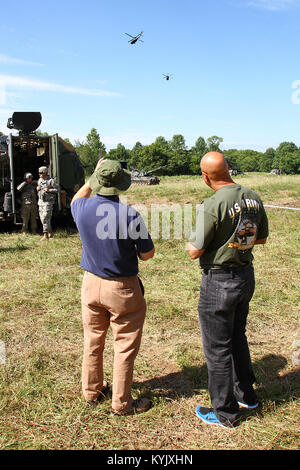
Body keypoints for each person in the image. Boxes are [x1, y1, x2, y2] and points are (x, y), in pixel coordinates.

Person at [188, 151, 269, 428]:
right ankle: (247, 395)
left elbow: (194, 250)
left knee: (217, 348)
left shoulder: (212, 204)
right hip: (245, 276)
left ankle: (225, 413)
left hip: (219, 281)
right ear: (229, 170)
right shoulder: (253, 196)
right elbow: (261, 239)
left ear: (205, 175)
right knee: (237, 336)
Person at [71, 159, 155, 415]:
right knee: (124, 346)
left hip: (90, 284)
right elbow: (148, 254)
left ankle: (91, 391)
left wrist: (94, 175)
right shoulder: (130, 215)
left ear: (97, 181)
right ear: (120, 185)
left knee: (93, 341)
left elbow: (78, 196)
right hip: (122, 288)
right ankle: (121, 403)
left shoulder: (81, 208)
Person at [37, 166, 59, 241]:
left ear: (45, 173)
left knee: (45, 217)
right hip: (41, 201)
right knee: (42, 218)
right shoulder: (39, 180)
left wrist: (49, 190)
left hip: (48, 202)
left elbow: (58, 189)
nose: (39, 174)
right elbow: (39, 189)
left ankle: (45, 234)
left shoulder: (51, 181)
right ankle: (50, 232)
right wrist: (38, 189)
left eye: (41, 173)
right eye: (39, 172)